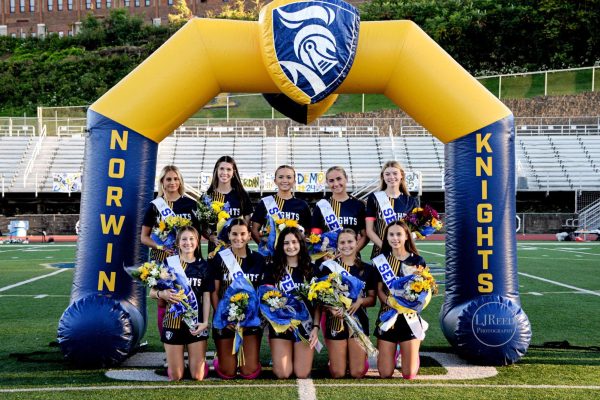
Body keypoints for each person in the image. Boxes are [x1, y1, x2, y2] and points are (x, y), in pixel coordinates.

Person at [141, 165, 200, 334]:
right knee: (164, 300)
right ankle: (168, 343)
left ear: (180, 181)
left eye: (176, 178)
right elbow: (144, 237)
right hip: (162, 260)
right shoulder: (154, 206)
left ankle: (190, 340)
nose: (173, 182)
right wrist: (161, 246)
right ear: (162, 182)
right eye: (168, 179)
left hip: (186, 258)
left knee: (188, 298)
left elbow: (197, 234)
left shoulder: (191, 204)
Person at [149, 226, 212, 381]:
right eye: (184, 239)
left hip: (195, 324)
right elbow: (151, 292)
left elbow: (206, 297)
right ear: (177, 243)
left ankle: (197, 364)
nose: (188, 242)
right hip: (173, 322)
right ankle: (176, 364)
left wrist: (205, 322)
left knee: (197, 376)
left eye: (191, 239)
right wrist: (161, 293)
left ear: (197, 242)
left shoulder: (204, 266)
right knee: (176, 376)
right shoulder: (167, 264)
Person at [209, 219, 266, 379]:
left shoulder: (259, 260)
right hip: (226, 321)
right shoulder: (219, 259)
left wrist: (251, 317)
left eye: (243, 234)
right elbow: (215, 292)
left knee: (249, 372)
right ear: (228, 235)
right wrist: (221, 316)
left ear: (249, 236)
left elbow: (262, 292)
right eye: (234, 234)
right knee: (228, 372)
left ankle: (248, 358)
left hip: (251, 321)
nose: (238, 238)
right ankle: (219, 358)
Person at [263, 227, 321, 379]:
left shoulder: (311, 270)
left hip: (305, 326)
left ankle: (296, 355)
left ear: (301, 244)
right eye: (286, 243)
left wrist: (315, 327)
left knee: (302, 374)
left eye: (294, 242)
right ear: (281, 246)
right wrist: (281, 321)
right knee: (283, 373)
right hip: (281, 327)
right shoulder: (272, 269)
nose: (290, 246)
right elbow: (265, 300)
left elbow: (317, 304)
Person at [373, 220, 426, 379]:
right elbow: (379, 290)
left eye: (399, 234)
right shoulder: (380, 261)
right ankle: (394, 353)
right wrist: (389, 302)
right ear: (386, 237)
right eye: (391, 234)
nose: (395, 238)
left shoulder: (417, 261)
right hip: (388, 316)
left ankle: (412, 352)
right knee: (385, 373)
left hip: (409, 318)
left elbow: (424, 290)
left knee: (409, 374)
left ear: (406, 237)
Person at [320, 229, 376, 378]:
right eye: (342, 242)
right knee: (338, 373)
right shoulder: (328, 268)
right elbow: (320, 297)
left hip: (358, 322)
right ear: (337, 245)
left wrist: (360, 301)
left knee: (357, 372)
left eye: (350, 242)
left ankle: (354, 358)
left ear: (357, 241)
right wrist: (331, 308)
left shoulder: (367, 269)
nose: (346, 246)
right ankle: (338, 359)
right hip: (335, 322)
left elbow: (372, 299)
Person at [365, 161, 417, 258]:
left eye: (395, 173)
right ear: (383, 177)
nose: (391, 177)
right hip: (380, 254)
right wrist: (385, 248)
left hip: (404, 253)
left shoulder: (410, 201)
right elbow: (369, 230)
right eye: (387, 174)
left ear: (401, 175)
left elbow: (414, 230)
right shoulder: (374, 198)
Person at [251, 165, 311, 244]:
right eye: (281, 177)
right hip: (272, 254)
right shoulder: (265, 203)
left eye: (289, 177)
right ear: (275, 181)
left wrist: (300, 247)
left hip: (294, 251)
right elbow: (254, 230)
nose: (285, 180)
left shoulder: (302, 205)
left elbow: (308, 231)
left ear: (294, 181)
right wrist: (265, 249)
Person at [311, 166, 368, 250]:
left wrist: (353, 252)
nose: (336, 184)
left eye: (339, 179)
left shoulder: (358, 205)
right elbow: (315, 234)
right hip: (327, 258)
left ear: (346, 179)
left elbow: (365, 235)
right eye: (331, 181)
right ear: (327, 182)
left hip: (351, 257)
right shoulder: (321, 206)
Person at [205, 156, 253, 254]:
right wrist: (211, 237)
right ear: (216, 171)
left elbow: (247, 222)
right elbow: (203, 225)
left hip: (238, 248)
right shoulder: (207, 197)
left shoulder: (242, 195)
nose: (225, 172)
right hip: (215, 249)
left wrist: (239, 237)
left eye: (228, 169)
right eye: (221, 168)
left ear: (234, 172)